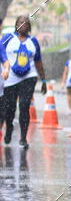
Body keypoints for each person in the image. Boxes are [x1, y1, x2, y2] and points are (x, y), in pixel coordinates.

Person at [0, 15, 47, 148]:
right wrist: (5, 65)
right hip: (10, 78)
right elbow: (1, 51)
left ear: (29, 26)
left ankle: (23, 138)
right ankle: (9, 128)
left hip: (29, 77)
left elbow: (38, 61)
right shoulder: (8, 38)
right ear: (16, 25)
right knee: (10, 108)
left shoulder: (33, 42)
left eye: (26, 23)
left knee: (24, 106)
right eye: (20, 22)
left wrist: (43, 80)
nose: (23, 24)